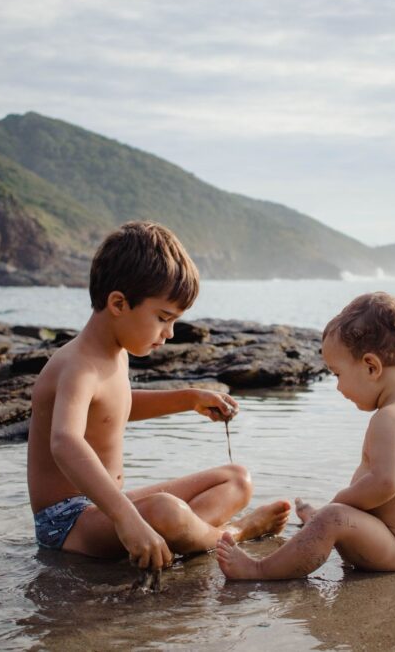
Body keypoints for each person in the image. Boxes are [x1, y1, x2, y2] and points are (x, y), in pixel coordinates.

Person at [27, 221, 291, 573]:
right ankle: (235, 533)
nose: (168, 333)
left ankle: (183, 534)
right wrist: (125, 517)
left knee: (237, 479)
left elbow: (114, 408)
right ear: (119, 303)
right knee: (165, 510)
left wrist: (188, 398)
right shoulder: (78, 365)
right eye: (163, 318)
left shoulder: (114, 353)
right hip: (67, 523)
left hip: (107, 506)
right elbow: (65, 441)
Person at [216, 291, 395, 579]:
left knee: (332, 518)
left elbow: (385, 484)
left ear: (371, 366)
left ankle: (259, 570)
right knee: (330, 518)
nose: (338, 387)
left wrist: (339, 502)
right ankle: (318, 523)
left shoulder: (390, 417)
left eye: (337, 374)